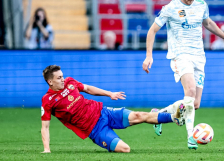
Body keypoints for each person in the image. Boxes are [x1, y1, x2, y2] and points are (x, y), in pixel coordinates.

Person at [142, 0, 224, 150]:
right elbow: (152, 31)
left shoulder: (201, 5)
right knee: (190, 90)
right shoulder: (170, 8)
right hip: (180, 55)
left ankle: (159, 115)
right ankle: (191, 137)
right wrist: (149, 55)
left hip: (199, 57)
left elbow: (208, 23)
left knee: (194, 104)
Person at [41, 65, 185, 153]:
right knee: (125, 149)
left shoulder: (70, 82)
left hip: (103, 112)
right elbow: (45, 127)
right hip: (95, 130)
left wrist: (110, 93)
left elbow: (88, 89)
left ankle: (175, 117)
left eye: (62, 76)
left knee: (138, 115)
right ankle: (156, 116)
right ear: (50, 81)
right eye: (59, 78)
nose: (63, 79)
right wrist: (47, 149)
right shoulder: (47, 101)